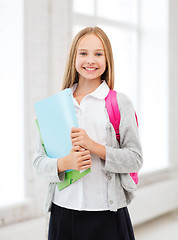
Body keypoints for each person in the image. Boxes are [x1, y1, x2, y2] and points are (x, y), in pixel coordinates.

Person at [34, 26, 143, 240]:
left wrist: (94, 147)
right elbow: (38, 162)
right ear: (74, 57)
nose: (90, 60)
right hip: (63, 213)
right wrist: (65, 163)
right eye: (83, 53)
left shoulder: (119, 103)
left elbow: (135, 159)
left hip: (107, 214)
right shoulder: (57, 105)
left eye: (98, 54)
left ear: (107, 59)